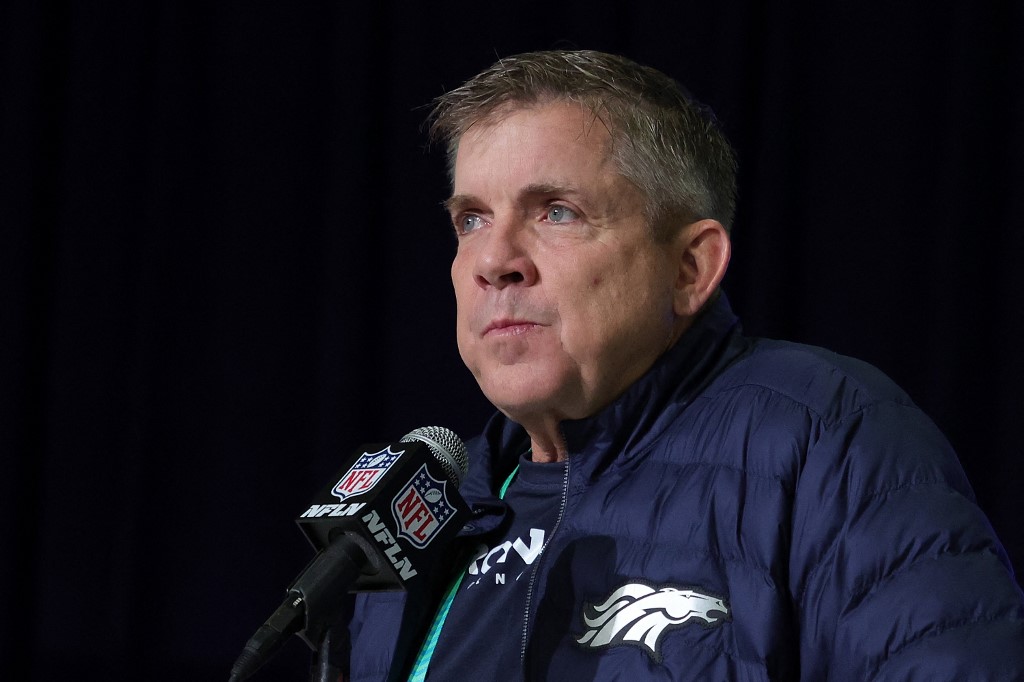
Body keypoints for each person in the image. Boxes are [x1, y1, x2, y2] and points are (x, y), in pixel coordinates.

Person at [340, 50, 1024, 681]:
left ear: (690, 268)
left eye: (556, 212)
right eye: (471, 220)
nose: (494, 261)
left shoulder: (829, 437)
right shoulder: (430, 519)